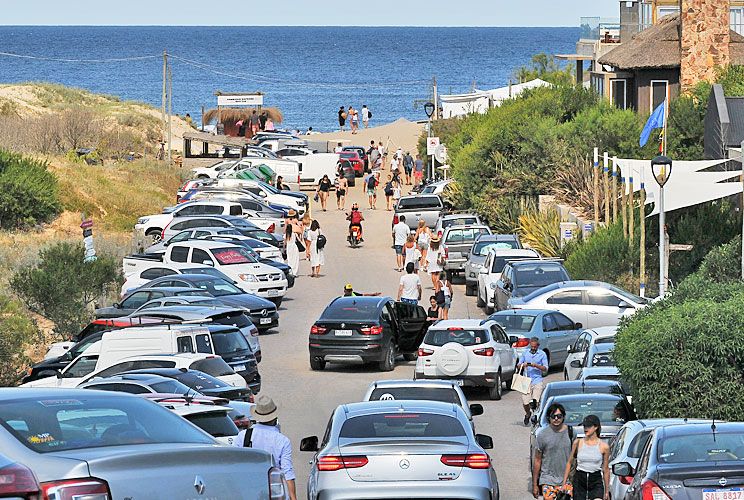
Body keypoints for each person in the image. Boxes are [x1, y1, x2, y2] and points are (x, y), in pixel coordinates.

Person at [234, 395, 297, 500]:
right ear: (275, 417)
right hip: (273, 491)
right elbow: (287, 472)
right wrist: (293, 497)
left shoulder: (243, 435)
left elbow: (235, 463)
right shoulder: (282, 440)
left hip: (247, 490)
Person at [532, 402, 575, 500]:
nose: (556, 419)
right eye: (553, 416)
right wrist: (535, 484)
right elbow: (537, 460)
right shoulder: (542, 435)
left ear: (563, 417)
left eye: (559, 416)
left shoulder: (571, 432)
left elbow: (575, 457)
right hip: (547, 480)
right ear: (548, 417)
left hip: (566, 480)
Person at [562, 415, 611, 500]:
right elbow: (569, 462)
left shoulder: (604, 446)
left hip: (595, 479)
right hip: (580, 478)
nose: (585, 429)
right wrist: (564, 483)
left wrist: (607, 491)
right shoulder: (577, 442)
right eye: (584, 426)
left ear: (596, 427)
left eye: (588, 426)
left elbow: (606, 469)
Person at [518, 337, 549, 426]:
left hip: (537, 380)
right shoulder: (525, 353)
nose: (533, 348)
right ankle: (528, 414)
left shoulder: (542, 354)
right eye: (532, 346)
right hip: (526, 380)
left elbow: (545, 368)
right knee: (526, 402)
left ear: (538, 346)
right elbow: (518, 365)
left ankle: (536, 417)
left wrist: (536, 365)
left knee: (536, 401)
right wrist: (522, 365)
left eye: (535, 347)